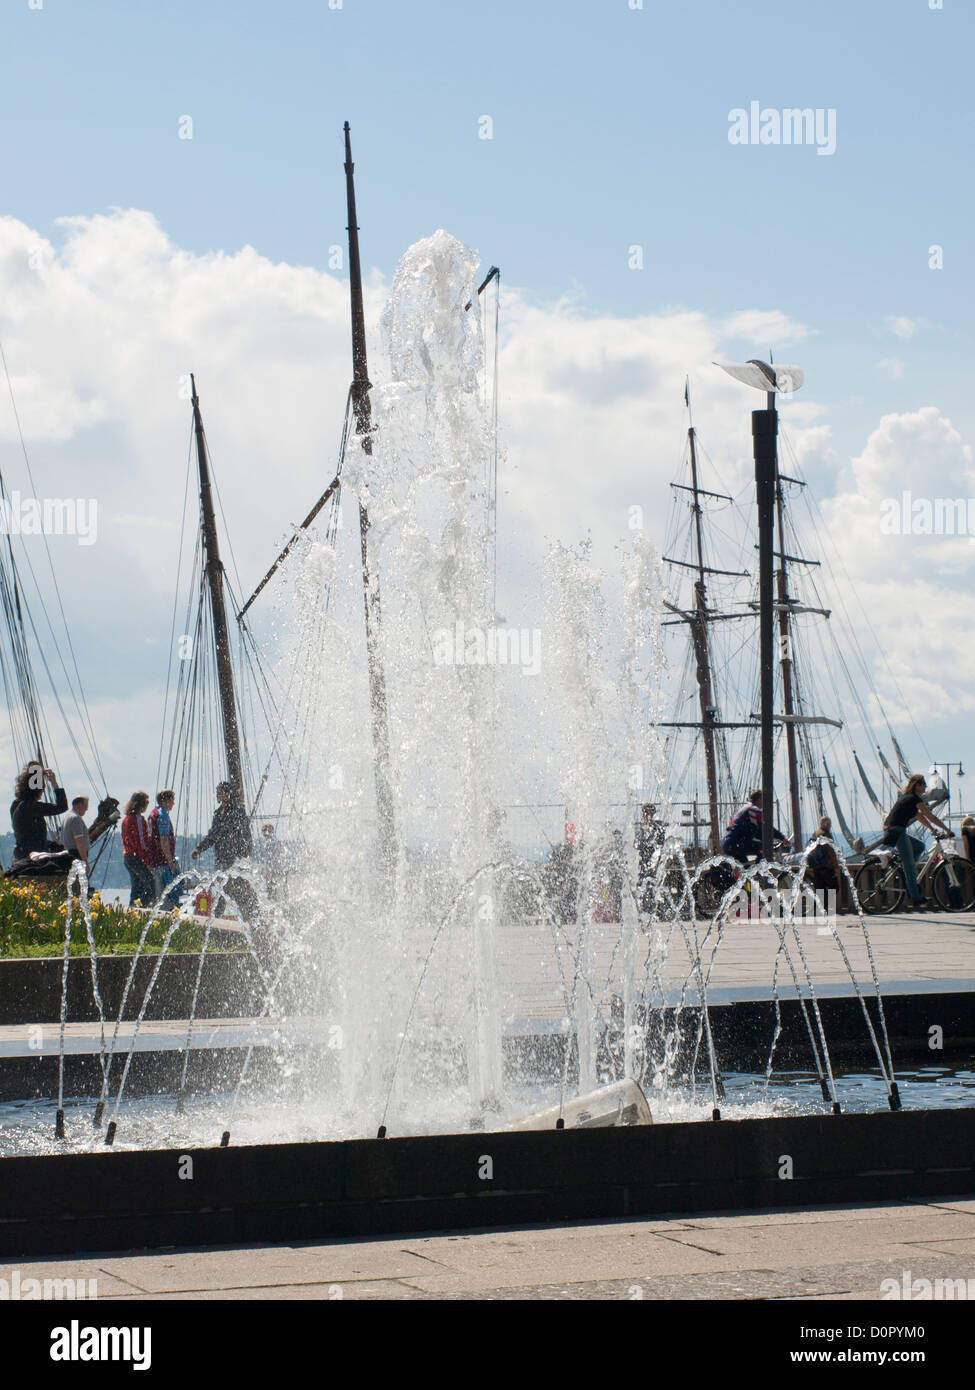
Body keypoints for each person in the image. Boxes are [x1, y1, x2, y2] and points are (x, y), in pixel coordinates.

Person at [882, 773, 949, 910]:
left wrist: (932, 830)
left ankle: (902, 865)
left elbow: (920, 817)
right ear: (917, 786)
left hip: (897, 829)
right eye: (924, 784)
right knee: (910, 866)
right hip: (896, 831)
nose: (925, 787)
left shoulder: (910, 800)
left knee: (920, 846)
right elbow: (931, 816)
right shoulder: (913, 799)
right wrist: (947, 830)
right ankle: (916, 898)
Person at [192, 782, 254, 918]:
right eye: (218, 792)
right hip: (222, 857)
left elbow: (245, 833)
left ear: (228, 794)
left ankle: (220, 915)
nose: (218, 795)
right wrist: (199, 848)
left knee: (232, 887)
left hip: (235, 857)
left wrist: (244, 853)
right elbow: (213, 835)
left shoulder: (237, 810)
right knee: (228, 887)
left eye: (221, 792)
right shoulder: (219, 812)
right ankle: (239, 914)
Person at [7, 762, 71, 878]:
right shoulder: (32, 806)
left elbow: (28, 833)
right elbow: (62, 806)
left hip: (20, 855)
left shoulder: (16, 805)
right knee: (68, 858)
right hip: (33, 857)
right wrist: (54, 782)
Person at [721, 790, 789, 865]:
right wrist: (782, 838)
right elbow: (766, 828)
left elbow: (755, 831)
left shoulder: (745, 809)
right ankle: (758, 872)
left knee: (743, 868)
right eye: (763, 799)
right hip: (736, 843)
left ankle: (745, 874)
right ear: (759, 799)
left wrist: (769, 839)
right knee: (764, 848)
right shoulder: (753, 810)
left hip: (729, 843)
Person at [121, 791, 155, 907]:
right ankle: (141, 909)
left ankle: (132, 911)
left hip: (128, 857)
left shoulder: (126, 819)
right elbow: (142, 842)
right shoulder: (138, 819)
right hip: (136, 858)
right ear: (142, 804)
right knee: (151, 886)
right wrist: (148, 860)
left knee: (136, 888)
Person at [147, 790, 180, 905]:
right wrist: (170, 861)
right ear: (165, 801)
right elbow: (164, 839)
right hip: (163, 862)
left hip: (155, 860)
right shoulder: (163, 815)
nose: (173, 803)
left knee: (159, 895)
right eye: (172, 800)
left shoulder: (152, 814)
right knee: (169, 894)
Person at [806, 815, 843, 912]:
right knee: (835, 887)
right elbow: (831, 852)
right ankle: (826, 907)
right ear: (826, 825)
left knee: (820, 889)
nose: (830, 827)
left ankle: (822, 908)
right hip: (827, 866)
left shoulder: (815, 833)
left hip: (816, 866)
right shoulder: (826, 834)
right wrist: (836, 868)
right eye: (829, 825)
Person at [635, 803, 664, 911]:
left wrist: (656, 864)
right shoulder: (639, 829)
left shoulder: (658, 829)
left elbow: (660, 848)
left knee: (654, 885)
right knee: (641, 885)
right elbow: (636, 846)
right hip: (642, 862)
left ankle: (656, 909)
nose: (647, 814)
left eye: (650, 812)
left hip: (654, 861)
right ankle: (642, 908)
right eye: (645, 812)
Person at [61, 795, 91, 873]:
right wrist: (85, 863)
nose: (87, 809)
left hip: (69, 855)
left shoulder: (67, 817)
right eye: (86, 806)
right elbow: (79, 843)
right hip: (77, 855)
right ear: (79, 805)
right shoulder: (75, 818)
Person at [260, 822, 288, 899]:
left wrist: (267, 873)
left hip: (272, 872)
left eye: (263, 831)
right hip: (281, 870)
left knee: (270, 895)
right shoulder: (278, 841)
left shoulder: (268, 843)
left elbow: (268, 860)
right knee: (281, 893)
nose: (263, 834)